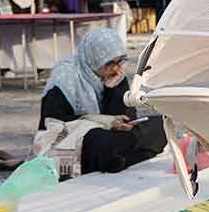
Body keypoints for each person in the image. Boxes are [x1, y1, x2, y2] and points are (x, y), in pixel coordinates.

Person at [39, 28, 165, 175]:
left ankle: (119, 160)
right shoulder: (65, 78)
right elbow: (53, 123)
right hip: (76, 139)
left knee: (159, 124)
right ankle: (128, 157)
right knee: (98, 139)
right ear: (94, 59)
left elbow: (126, 117)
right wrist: (104, 122)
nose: (116, 68)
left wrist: (114, 91)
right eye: (110, 63)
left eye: (120, 61)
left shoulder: (115, 75)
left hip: (110, 136)